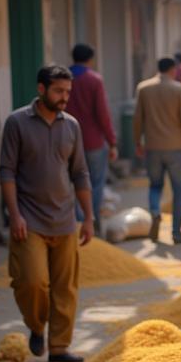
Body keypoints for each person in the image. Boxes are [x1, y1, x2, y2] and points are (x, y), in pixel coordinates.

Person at [0, 64, 93, 362]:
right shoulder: (17, 123)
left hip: (65, 220)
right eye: (58, 91)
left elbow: (79, 173)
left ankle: (59, 347)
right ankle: (37, 325)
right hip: (29, 221)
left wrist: (88, 217)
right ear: (41, 89)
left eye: (68, 91)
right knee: (32, 282)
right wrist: (14, 215)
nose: (65, 97)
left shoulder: (72, 126)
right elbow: (7, 171)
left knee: (65, 287)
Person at [133, 57, 181, 245]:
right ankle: (176, 233)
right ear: (173, 70)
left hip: (152, 146)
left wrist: (138, 142)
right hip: (175, 147)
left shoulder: (143, 88)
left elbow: (138, 119)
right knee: (178, 190)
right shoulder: (179, 89)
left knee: (155, 185)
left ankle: (154, 211)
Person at [65, 43, 117, 233]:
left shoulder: (63, 79)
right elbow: (103, 114)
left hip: (67, 141)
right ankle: (91, 222)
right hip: (93, 141)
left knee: (72, 183)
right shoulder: (94, 80)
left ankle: (77, 224)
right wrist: (112, 141)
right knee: (94, 183)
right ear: (90, 59)